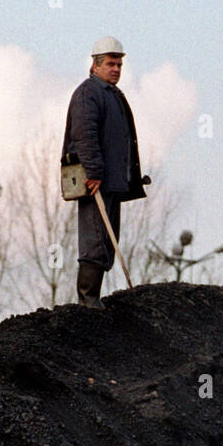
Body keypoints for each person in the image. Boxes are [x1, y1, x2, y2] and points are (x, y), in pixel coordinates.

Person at [62, 36, 149, 308]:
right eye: (111, 63)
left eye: (119, 64)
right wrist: (94, 171)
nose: (116, 69)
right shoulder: (89, 93)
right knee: (95, 239)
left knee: (108, 238)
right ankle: (88, 299)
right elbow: (84, 135)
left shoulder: (113, 95)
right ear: (95, 65)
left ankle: (94, 299)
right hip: (95, 182)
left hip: (112, 182)